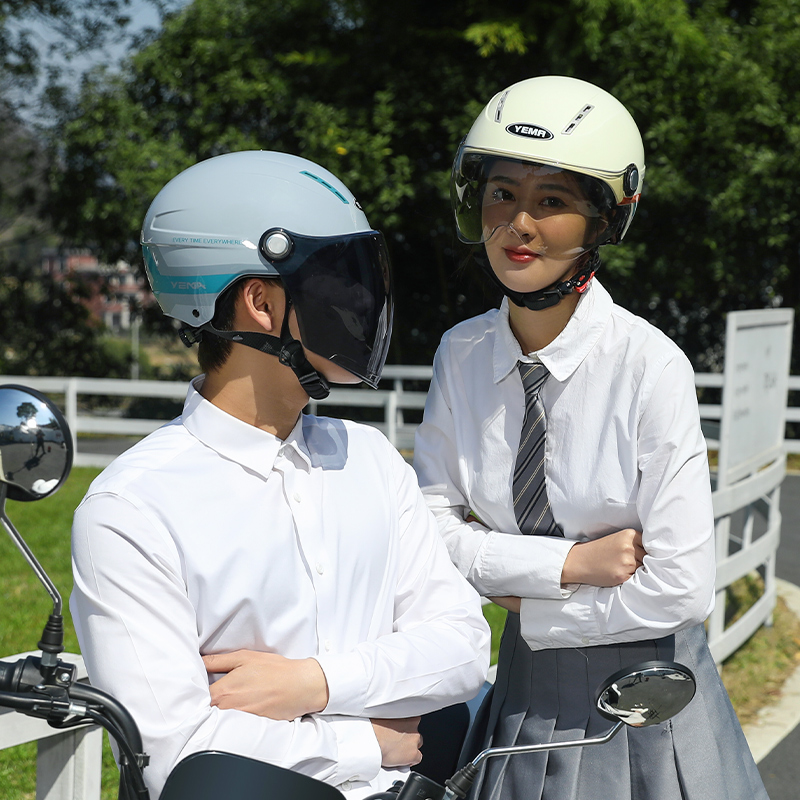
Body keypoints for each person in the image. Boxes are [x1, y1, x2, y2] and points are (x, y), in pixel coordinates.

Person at [70, 150, 490, 799]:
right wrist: (366, 740)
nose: (363, 301)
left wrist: (314, 683)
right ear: (259, 301)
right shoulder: (133, 506)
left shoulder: (371, 459)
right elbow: (175, 752)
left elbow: (462, 649)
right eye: (337, 278)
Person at [413, 76, 769, 800]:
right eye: (501, 193)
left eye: (552, 202)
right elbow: (425, 529)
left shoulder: (649, 366)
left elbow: (680, 589)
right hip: (521, 691)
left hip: (649, 701)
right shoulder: (462, 353)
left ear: (604, 222)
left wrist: (527, 603)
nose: (518, 223)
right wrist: (570, 564)